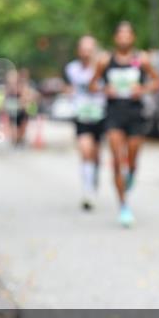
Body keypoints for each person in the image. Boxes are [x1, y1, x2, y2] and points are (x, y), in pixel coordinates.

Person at [90, 21, 159, 227]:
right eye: (120, 34)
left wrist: (142, 89)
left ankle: (129, 176)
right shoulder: (105, 61)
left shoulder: (140, 60)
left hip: (135, 113)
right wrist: (105, 90)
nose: (124, 37)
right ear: (115, 38)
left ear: (133, 38)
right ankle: (123, 206)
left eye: (128, 34)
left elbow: (157, 82)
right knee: (116, 159)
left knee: (131, 159)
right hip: (114, 114)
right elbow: (93, 84)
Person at [64, 35, 107, 211]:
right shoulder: (71, 69)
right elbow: (68, 87)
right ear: (78, 51)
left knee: (96, 155)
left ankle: (93, 178)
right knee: (85, 151)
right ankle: (87, 191)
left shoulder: (102, 67)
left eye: (90, 49)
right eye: (84, 49)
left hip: (100, 114)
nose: (86, 52)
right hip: (81, 116)